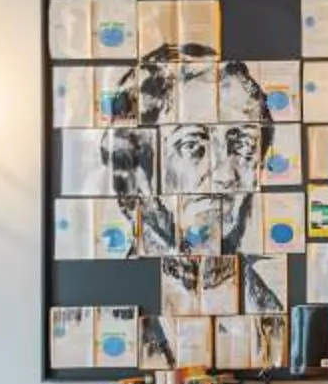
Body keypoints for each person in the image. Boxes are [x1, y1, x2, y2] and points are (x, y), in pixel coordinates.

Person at [109, 46, 286, 365]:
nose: (223, 174)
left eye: (242, 145)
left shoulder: (273, 319)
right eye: (192, 145)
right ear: (139, 172)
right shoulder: (111, 309)